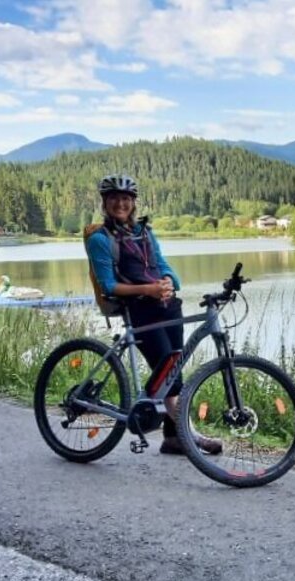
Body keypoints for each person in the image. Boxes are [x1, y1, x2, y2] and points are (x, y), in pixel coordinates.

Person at [86, 173, 222, 456]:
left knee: (174, 370)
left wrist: (170, 281)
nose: (120, 204)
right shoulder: (100, 239)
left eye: (126, 199)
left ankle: (173, 438)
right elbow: (108, 285)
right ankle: (192, 437)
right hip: (139, 311)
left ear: (133, 203)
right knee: (169, 375)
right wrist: (148, 289)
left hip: (168, 307)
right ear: (105, 203)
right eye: (114, 199)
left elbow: (162, 264)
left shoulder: (145, 232)